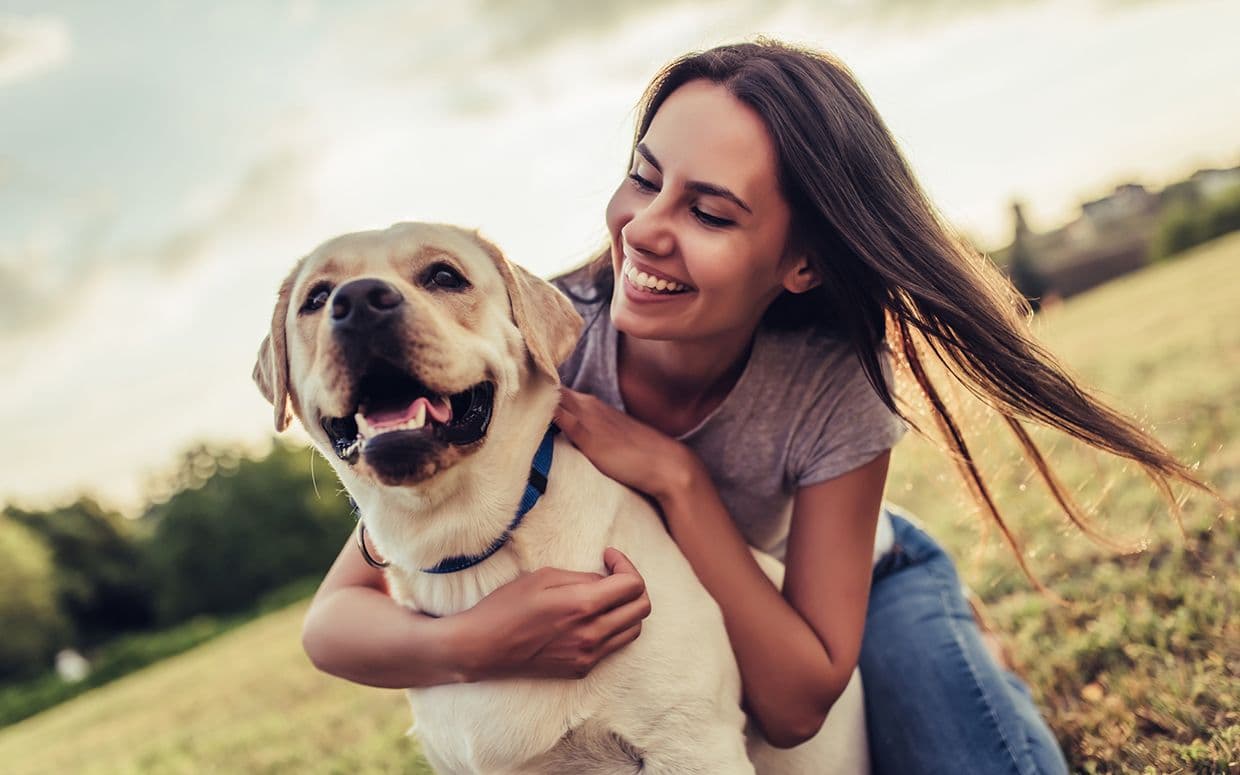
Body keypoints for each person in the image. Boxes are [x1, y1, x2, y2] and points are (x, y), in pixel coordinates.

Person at [301, 40, 1208, 774]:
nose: (647, 228)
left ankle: (966, 648)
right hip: (718, 627)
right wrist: (474, 640)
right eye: (644, 176)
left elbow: (794, 702)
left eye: (712, 212)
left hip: (853, 594)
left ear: (800, 263)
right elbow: (335, 618)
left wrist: (678, 478)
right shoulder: (534, 347)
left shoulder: (830, 385)